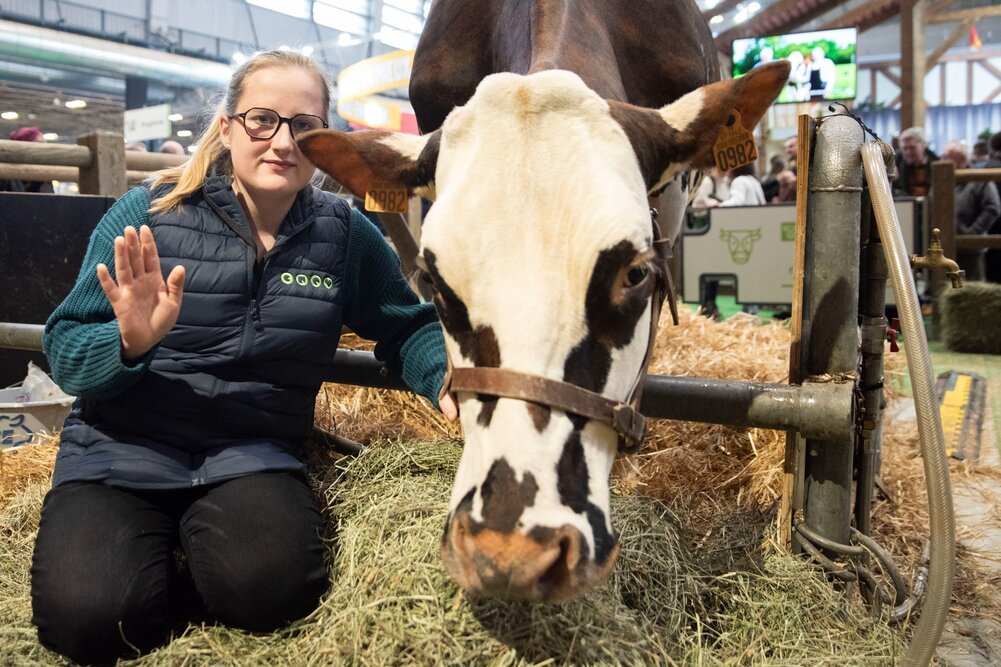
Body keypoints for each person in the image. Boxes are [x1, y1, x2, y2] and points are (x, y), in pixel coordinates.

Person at [32, 49, 456, 664]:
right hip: (120, 453)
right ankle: (147, 562)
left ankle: (189, 561)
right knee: (88, 624)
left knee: (274, 597)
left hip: (251, 455)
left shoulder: (344, 234)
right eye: (263, 119)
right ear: (228, 128)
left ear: (324, 141)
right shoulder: (149, 215)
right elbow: (67, 351)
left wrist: (444, 375)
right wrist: (128, 341)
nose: (283, 141)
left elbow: (405, 324)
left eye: (304, 126)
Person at [940, 141, 1000, 281]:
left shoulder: (979, 179)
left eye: (945, 157)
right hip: (944, 249)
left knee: (972, 293)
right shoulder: (941, 179)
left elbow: (992, 208)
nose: (941, 160)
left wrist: (971, 233)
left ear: (959, 159)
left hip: (971, 251)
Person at [0, 127, 55, 193]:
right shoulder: (5, 173)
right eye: (41, 144)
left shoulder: (45, 174)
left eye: (45, 144)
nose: (45, 148)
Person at [893, 126, 939, 197]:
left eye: (912, 148)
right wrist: (893, 180)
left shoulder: (936, 164)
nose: (908, 152)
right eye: (905, 149)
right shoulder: (896, 163)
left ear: (923, 145)